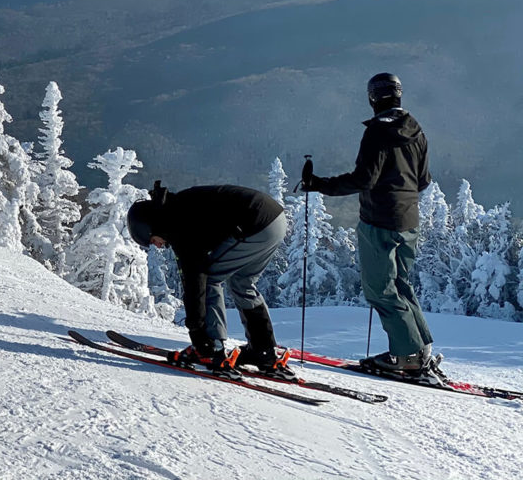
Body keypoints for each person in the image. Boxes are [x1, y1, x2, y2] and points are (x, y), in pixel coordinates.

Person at [302, 72, 435, 376]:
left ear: (373, 98)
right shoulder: (416, 130)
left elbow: (364, 179)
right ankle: (419, 347)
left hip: (379, 221)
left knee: (380, 290)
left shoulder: (377, 132)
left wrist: (319, 184)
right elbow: (423, 180)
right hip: (409, 221)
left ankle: (406, 357)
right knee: (401, 284)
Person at [127, 182, 291, 379]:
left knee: (211, 277)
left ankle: (213, 350)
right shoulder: (176, 207)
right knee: (242, 283)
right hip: (275, 221)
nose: (158, 246)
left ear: (150, 225)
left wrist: (198, 334)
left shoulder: (178, 224)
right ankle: (263, 351)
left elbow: (195, 282)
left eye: (152, 240)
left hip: (254, 224)